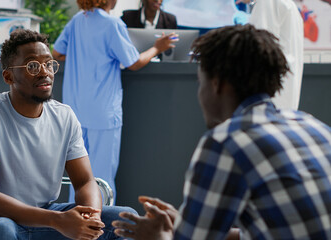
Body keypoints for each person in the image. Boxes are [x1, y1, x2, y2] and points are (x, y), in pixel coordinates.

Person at [112, 24, 331, 240]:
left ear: (217, 84)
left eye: (201, 82)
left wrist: (160, 236)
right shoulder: (312, 125)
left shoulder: (225, 142)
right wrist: (185, 223)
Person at [0, 29, 137, 240]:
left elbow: (85, 181)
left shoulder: (64, 116)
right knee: (2, 229)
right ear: (8, 76)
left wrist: (89, 219)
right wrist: (56, 220)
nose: (44, 72)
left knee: (126, 218)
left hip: (43, 212)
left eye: (48, 64)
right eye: (32, 66)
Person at [53, 0, 177, 202]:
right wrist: (157, 48)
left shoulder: (77, 21)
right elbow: (134, 62)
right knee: (102, 180)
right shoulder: (112, 24)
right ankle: (101, 229)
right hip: (103, 113)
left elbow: (57, 53)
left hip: (76, 111)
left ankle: (75, 227)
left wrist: (82, 58)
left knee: (77, 179)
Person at [237, 0, 304, 110]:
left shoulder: (268, 3)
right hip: (280, 98)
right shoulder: (285, 4)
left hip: (268, 100)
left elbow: (258, 50)